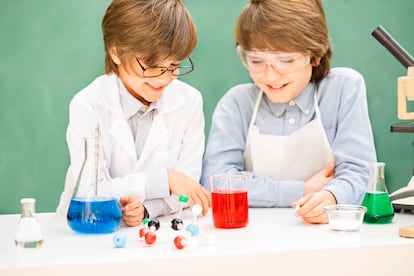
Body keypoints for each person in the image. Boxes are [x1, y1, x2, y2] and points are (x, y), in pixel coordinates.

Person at [201, 0, 377, 224]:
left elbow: (361, 173)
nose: (271, 76)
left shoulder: (343, 89)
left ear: (315, 55)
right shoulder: (236, 104)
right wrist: (302, 189)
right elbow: (216, 181)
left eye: (286, 60)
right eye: (256, 60)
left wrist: (331, 196)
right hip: (251, 239)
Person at [57, 0, 210, 227]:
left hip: (152, 230)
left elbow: (187, 188)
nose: (164, 77)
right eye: (151, 65)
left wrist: (146, 209)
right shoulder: (87, 105)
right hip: (87, 230)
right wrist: (165, 180)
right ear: (116, 51)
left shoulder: (189, 102)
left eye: (174, 65)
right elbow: (92, 190)